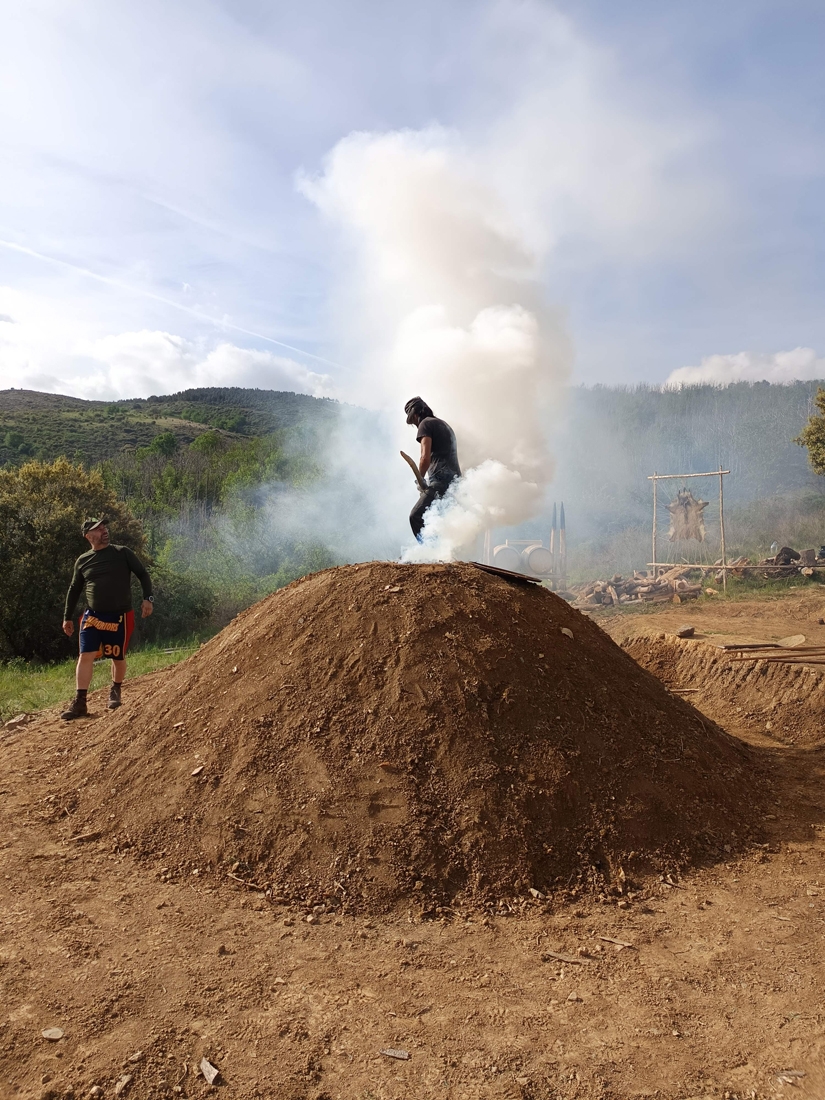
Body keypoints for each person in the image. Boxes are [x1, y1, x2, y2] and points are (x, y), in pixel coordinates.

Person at [61, 517, 154, 720]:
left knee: (117, 657)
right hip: (92, 616)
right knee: (85, 655)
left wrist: (148, 599)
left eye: (104, 527)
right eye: (98, 528)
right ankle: (80, 702)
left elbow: (143, 574)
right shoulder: (83, 560)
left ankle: (115, 689)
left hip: (120, 616)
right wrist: (67, 617)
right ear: (88, 536)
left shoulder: (122, 553)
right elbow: (74, 589)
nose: (104, 530)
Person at [404, 397, 461, 540]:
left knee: (416, 516)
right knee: (437, 522)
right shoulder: (444, 425)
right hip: (456, 484)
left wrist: (420, 479)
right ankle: (441, 550)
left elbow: (424, 457)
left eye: (413, 421)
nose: (415, 425)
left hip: (441, 481)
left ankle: (428, 551)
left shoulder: (425, 424)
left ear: (416, 415)